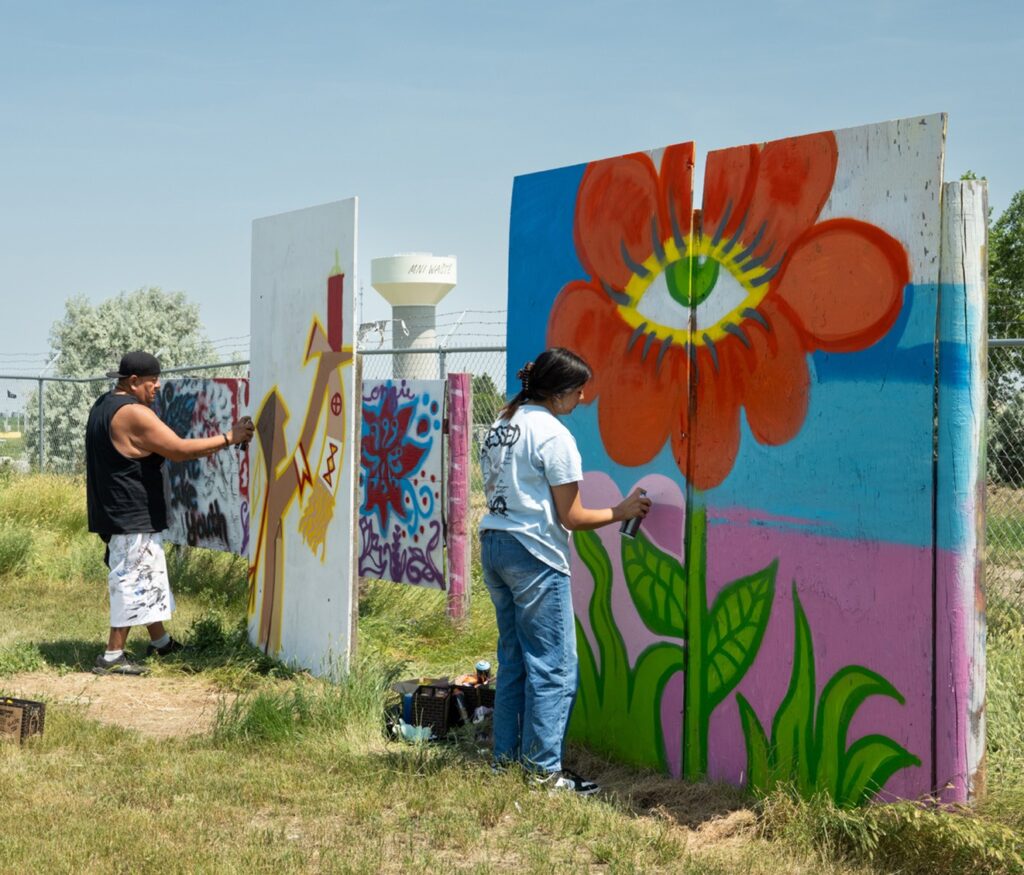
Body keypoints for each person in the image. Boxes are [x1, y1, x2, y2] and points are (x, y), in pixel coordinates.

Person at [478, 347, 651, 795]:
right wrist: (623, 510)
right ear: (557, 394)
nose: (581, 401)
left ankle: (505, 764)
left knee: (514, 660)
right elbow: (571, 517)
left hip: (494, 544)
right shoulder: (553, 435)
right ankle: (542, 773)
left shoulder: (501, 425)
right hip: (533, 555)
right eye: (578, 393)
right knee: (554, 666)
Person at [85, 351, 254, 676]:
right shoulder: (133, 413)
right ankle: (112, 656)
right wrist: (229, 438)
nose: (157, 387)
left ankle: (160, 642)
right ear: (133, 382)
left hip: (115, 509)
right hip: (131, 512)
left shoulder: (103, 406)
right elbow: (177, 450)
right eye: (152, 381)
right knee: (132, 578)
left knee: (147, 573)